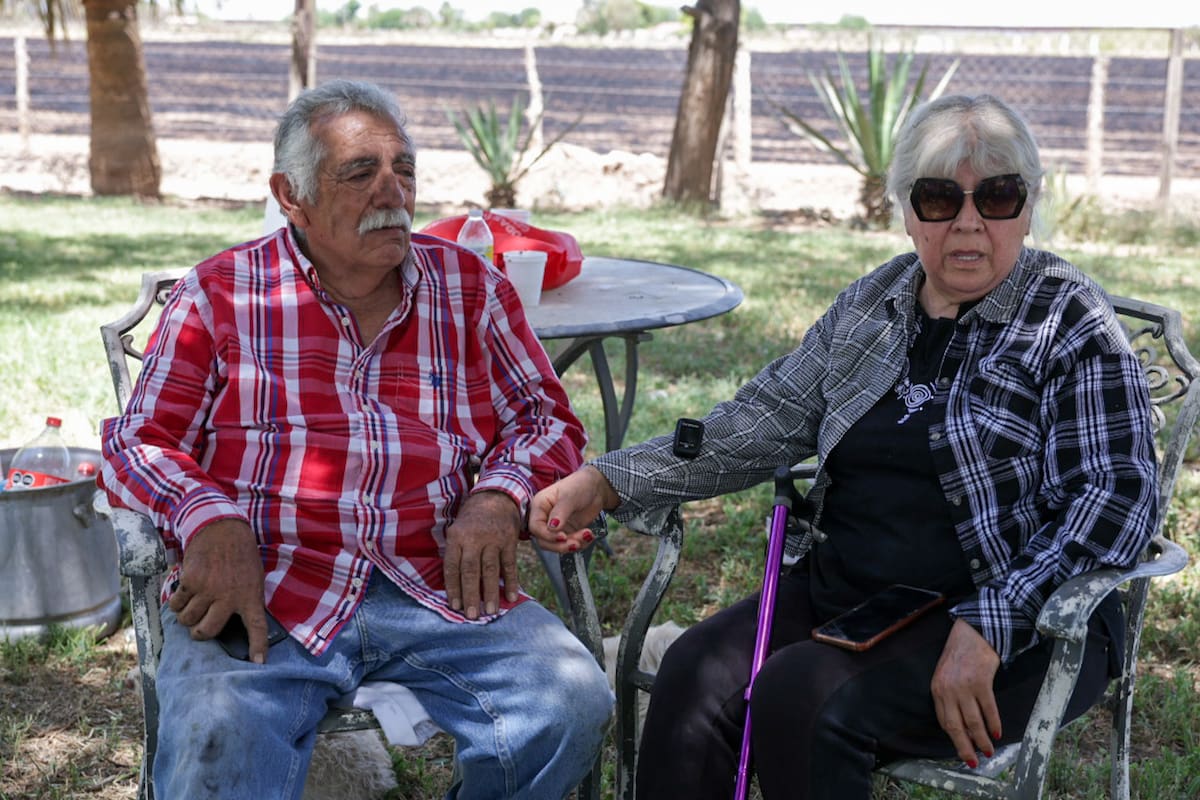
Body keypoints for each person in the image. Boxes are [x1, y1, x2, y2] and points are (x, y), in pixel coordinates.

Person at [529, 93, 1158, 800]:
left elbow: (1118, 496)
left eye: (999, 197)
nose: (970, 223)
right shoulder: (875, 303)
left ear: (1029, 205)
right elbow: (760, 420)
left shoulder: (1069, 319)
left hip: (1029, 621)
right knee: (693, 671)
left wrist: (993, 621)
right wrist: (609, 480)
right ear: (906, 209)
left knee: (804, 695)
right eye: (940, 198)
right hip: (855, 592)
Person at [99, 79, 612, 800]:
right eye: (359, 172)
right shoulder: (222, 294)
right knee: (219, 739)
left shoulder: (468, 287)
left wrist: (498, 497)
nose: (392, 191)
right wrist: (207, 517)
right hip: (267, 585)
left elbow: (547, 420)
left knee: (567, 705)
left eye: (403, 169)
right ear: (292, 194)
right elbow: (138, 440)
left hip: (437, 580)